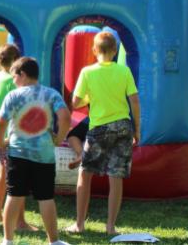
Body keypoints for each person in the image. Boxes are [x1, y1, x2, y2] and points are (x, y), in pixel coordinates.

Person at [66, 31, 141, 236]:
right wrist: (137, 129)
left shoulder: (87, 72)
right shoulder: (124, 71)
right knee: (115, 176)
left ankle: (79, 224)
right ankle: (110, 226)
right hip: (123, 127)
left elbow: (75, 102)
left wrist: (88, 97)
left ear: (94, 50)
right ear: (115, 51)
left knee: (85, 174)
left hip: (99, 128)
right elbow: (134, 100)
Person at [0, 57, 71, 245]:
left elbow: (0, 122)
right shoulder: (51, 94)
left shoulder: (13, 95)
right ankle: (54, 241)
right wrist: (59, 139)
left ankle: (7, 240)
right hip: (44, 155)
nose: (13, 80)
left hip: (18, 153)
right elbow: (66, 117)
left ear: (22, 74)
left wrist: (1, 141)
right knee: (46, 197)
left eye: (14, 76)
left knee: (13, 195)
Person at [0, 44, 33, 229]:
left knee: (4, 173)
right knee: (17, 176)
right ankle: (20, 221)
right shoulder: (10, 81)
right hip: (8, 133)